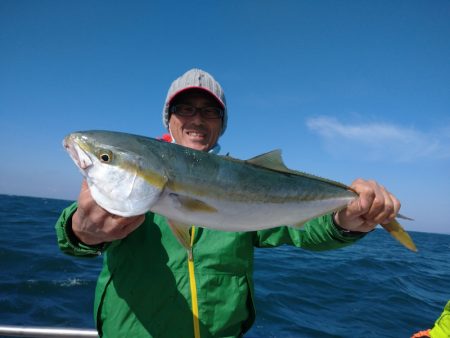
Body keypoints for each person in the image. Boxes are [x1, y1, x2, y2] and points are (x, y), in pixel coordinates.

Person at [56, 68, 402, 337]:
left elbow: (303, 231)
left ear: (222, 124)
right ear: (169, 117)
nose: (197, 119)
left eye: (210, 112)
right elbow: (76, 233)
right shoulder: (132, 181)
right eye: (185, 108)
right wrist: (81, 230)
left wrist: (345, 222)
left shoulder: (246, 177)